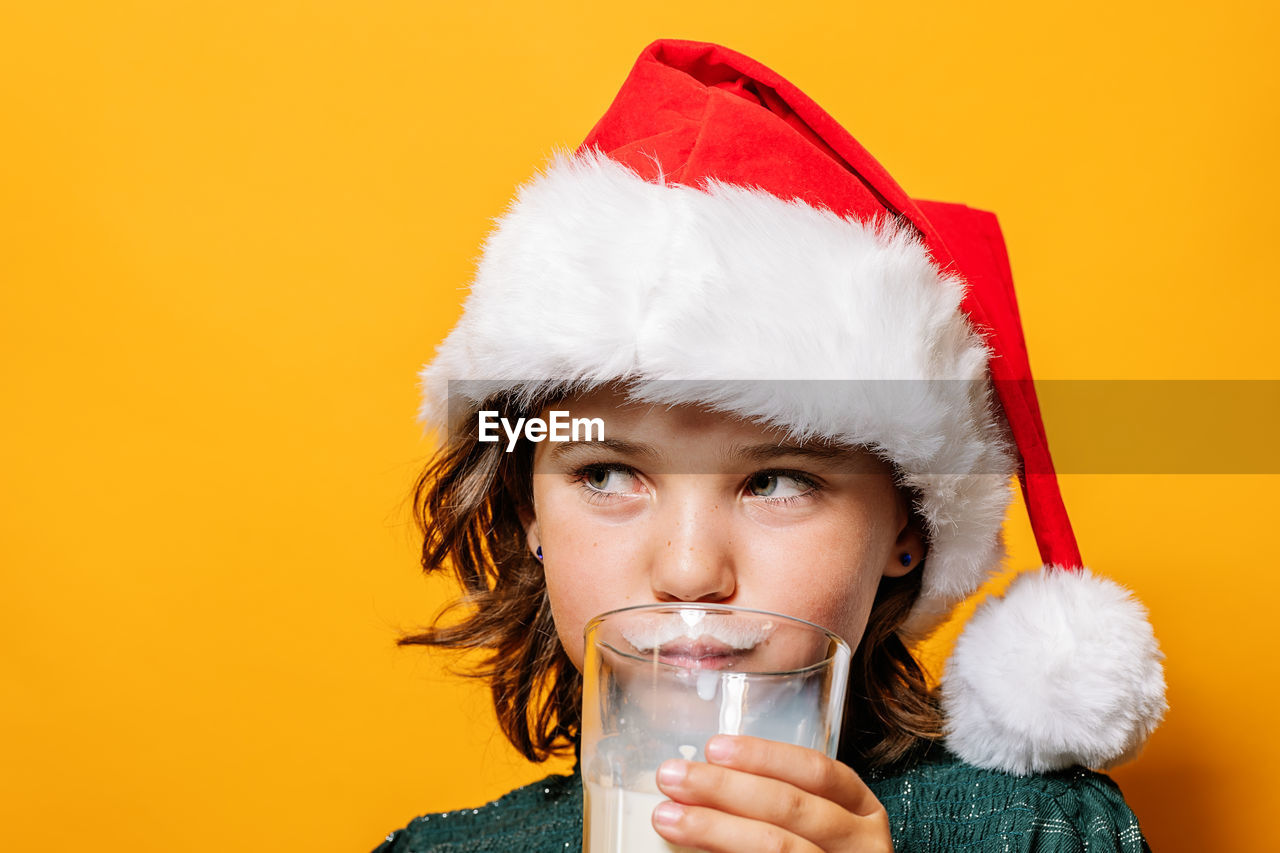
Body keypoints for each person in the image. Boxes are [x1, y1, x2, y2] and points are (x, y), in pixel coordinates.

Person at [374, 40, 1167, 852]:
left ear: (907, 525)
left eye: (776, 481)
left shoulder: (1038, 831)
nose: (687, 572)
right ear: (528, 507)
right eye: (608, 472)